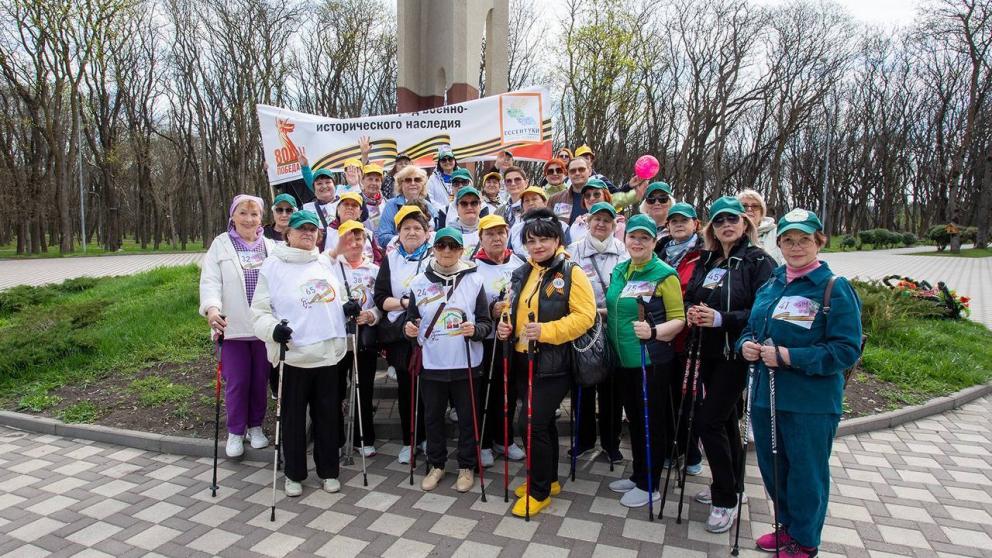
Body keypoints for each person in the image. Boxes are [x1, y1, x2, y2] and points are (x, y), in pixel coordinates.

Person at [739, 209, 862, 558]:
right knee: (774, 468)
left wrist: (790, 357)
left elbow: (845, 349)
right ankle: (787, 527)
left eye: (804, 240)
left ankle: (805, 540)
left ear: (819, 242)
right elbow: (753, 328)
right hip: (767, 396)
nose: (796, 247)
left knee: (806, 473)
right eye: (789, 240)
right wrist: (745, 345)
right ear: (779, 243)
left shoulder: (833, 288)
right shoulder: (772, 282)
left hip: (809, 401)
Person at [496, 208, 596, 518]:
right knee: (542, 424)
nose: (537, 246)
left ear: (557, 240)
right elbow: (513, 307)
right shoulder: (525, 270)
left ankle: (539, 491)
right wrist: (504, 323)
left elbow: (585, 317)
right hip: (523, 357)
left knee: (531, 424)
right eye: (531, 241)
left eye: (544, 239)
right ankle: (549, 480)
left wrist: (546, 331)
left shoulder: (571, 272)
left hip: (554, 361)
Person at [683, 196, 775, 533]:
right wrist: (693, 310)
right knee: (722, 422)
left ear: (745, 224)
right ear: (711, 228)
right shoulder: (707, 260)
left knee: (709, 421)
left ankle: (725, 499)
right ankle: (733, 485)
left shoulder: (757, 261)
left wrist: (722, 318)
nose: (726, 225)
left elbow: (765, 311)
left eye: (732, 220)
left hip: (737, 353)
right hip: (706, 352)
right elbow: (692, 294)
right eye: (719, 221)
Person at [251, 210, 349, 497]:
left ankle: (329, 471)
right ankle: (293, 473)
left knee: (328, 417)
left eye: (312, 229)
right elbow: (259, 311)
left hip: (329, 355)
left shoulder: (324, 262)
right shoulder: (273, 265)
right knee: (293, 420)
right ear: (288, 233)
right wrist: (272, 330)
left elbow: (338, 298)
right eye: (301, 229)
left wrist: (348, 309)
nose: (308, 233)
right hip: (294, 357)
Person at [403, 227, 494, 492]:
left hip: (466, 362)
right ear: (433, 249)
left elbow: (486, 322)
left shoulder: (475, 280)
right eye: (441, 246)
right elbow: (411, 321)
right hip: (432, 363)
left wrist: (476, 331)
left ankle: (466, 466)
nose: (446, 251)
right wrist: (408, 329)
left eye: (452, 247)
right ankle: (436, 465)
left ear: (460, 251)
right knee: (432, 418)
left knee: (468, 417)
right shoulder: (419, 281)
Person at [604, 214, 685, 507]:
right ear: (624, 239)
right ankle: (639, 474)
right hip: (621, 361)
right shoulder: (620, 270)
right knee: (635, 419)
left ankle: (651, 484)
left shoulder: (664, 274)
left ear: (654, 241)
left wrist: (653, 331)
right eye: (633, 237)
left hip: (650, 361)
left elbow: (679, 319)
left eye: (644, 238)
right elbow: (613, 308)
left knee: (650, 421)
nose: (637, 242)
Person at [199, 194, 277, 458]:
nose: (249, 219)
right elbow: (210, 281)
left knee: (259, 381)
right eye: (243, 213)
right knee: (237, 381)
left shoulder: (270, 246)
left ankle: (255, 427)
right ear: (233, 215)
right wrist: (211, 309)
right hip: (232, 328)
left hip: (262, 328)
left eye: (254, 214)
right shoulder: (221, 245)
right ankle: (235, 432)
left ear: (261, 218)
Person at [566, 201, 627, 464]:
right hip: (583, 328)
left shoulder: (624, 252)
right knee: (583, 384)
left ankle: (611, 443)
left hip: (612, 326)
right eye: (597, 219)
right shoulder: (575, 251)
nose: (601, 224)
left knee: (611, 389)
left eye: (607, 220)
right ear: (588, 222)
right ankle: (584, 439)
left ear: (614, 225)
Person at [374, 204, 433, 464]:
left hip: (431, 333)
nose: (412, 232)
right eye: (406, 228)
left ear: (426, 232)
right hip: (400, 335)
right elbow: (380, 298)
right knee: (407, 389)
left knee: (430, 389)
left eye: (417, 228)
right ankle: (410, 440)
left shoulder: (436, 256)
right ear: (398, 233)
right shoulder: (391, 259)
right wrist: (405, 303)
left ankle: (430, 438)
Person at [655, 202, 705, 476]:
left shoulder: (704, 255)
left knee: (690, 400)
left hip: (690, 339)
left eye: (683, 221)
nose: (677, 225)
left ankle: (692, 453)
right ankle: (669, 451)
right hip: (662, 338)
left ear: (695, 224)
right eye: (673, 221)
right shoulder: (661, 250)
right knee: (667, 398)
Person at [474, 215, 526, 465]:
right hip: (486, 340)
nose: (496, 238)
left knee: (509, 391)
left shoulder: (519, 262)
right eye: (490, 234)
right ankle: (483, 442)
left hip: (513, 339)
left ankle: (504, 439)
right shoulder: (472, 266)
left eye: (500, 233)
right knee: (485, 390)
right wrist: (491, 309)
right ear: (480, 238)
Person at [330, 220, 381, 458]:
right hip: (337, 337)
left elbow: (381, 302)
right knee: (335, 389)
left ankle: (365, 437)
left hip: (363, 337)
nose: (354, 243)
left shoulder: (374, 270)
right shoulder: (329, 267)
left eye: (358, 238)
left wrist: (371, 314)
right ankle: (337, 437)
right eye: (348, 238)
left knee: (364, 388)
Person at [376, 165, 437, 249]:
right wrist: (408, 240)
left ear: (423, 184)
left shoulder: (429, 206)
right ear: (401, 184)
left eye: (417, 180)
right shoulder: (391, 205)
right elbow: (383, 237)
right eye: (408, 180)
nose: (413, 183)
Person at [738, 189, 783, 265]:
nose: (749, 209)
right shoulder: (731, 236)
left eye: (755, 206)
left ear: (762, 212)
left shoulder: (777, 233)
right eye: (744, 206)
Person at [438, 187, 484, 260]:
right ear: (457, 207)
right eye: (464, 203)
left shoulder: (488, 230)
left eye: (474, 203)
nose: (469, 207)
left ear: (480, 205)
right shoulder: (447, 234)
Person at [566, 179, 613, 244]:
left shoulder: (616, 223)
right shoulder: (577, 224)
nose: (592, 198)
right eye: (587, 195)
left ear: (606, 196)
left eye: (596, 194)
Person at [509, 187, 550, 259]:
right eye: (527, 201)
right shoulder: (515, 229)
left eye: (534, 199)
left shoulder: (559, 225)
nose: (530, 203)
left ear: (545, 202)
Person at [426, 147, 460, 212]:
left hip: (459, 214)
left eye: (450, 159)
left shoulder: (463, 177)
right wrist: (445, 209)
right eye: (444, 160)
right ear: (439, 162)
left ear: (454, 161)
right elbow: (430, 199)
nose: (447, 162)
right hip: (441, 215)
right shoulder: (432, 179)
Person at [361, 163, 386, 230]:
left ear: (381, 183)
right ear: (362, 181)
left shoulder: (386, 203)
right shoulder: (357, 202)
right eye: (370, 179)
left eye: (377, 180)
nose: (374, 183)